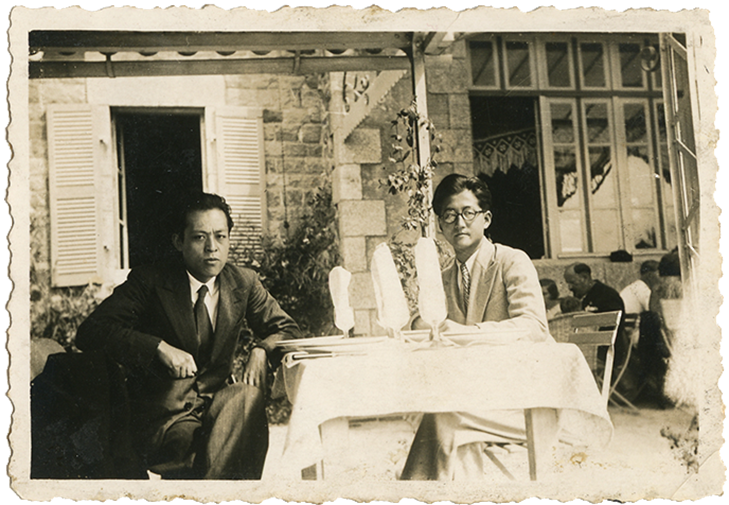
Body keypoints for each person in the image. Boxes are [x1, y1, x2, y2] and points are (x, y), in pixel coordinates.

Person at [74, 191, 301, 479]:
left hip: (218, 406)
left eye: (220, 237)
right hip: (165, 417)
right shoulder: (150, 281)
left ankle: (211, 494)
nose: (212, 248)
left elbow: (287, 330)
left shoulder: (243, 282)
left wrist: (261, 350)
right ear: (178, 242)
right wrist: (157, 347)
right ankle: (221, 495)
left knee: (247, 397)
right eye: (199, 237)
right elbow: (92, 331)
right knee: (209, 450)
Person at [400, 174, 549, 481]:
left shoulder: (511, 261)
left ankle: (418, 495)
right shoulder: (444, 277)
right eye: (450, 215)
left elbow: (533, 327)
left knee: (443, 416)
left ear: (486, 219)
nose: (460, 223)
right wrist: (419, 322)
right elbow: (419, 323)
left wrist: (465, 334)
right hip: (474, 398)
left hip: (526, 400)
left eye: (468, 213)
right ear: (440, 225)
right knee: (434, 411)